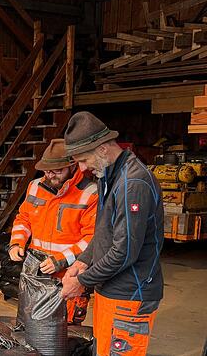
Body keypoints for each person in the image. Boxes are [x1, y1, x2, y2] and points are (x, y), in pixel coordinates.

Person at [60, 112, 163, 356]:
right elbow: (104, 230)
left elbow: (124, 252)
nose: (82, 168)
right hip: (110, 290)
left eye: (83, 160)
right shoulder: (108, 176)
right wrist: (83, 261)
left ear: (103, 149)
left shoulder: (132, 183)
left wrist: (81, 281)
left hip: (130, 295)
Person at [8, 138, 97, 324]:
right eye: (47, 171)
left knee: (64, 329)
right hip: (35, 271)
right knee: (29, 323)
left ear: (73, 166)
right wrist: (16, 243)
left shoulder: (90, 193)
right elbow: (23, 218)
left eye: (57, 171)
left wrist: (62, 259)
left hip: (68, 276)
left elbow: (93, 238)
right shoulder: (35, 186)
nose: (50, 176)